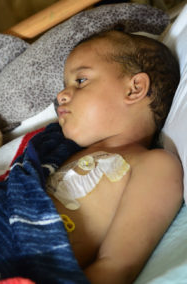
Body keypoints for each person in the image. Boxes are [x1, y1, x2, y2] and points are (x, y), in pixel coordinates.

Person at [48, 29, 182, 283]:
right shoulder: (55, 149)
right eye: (65, 85)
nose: (60, 96)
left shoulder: (154, 165)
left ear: (134, 89)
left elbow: (115, 266)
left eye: (81, 80)